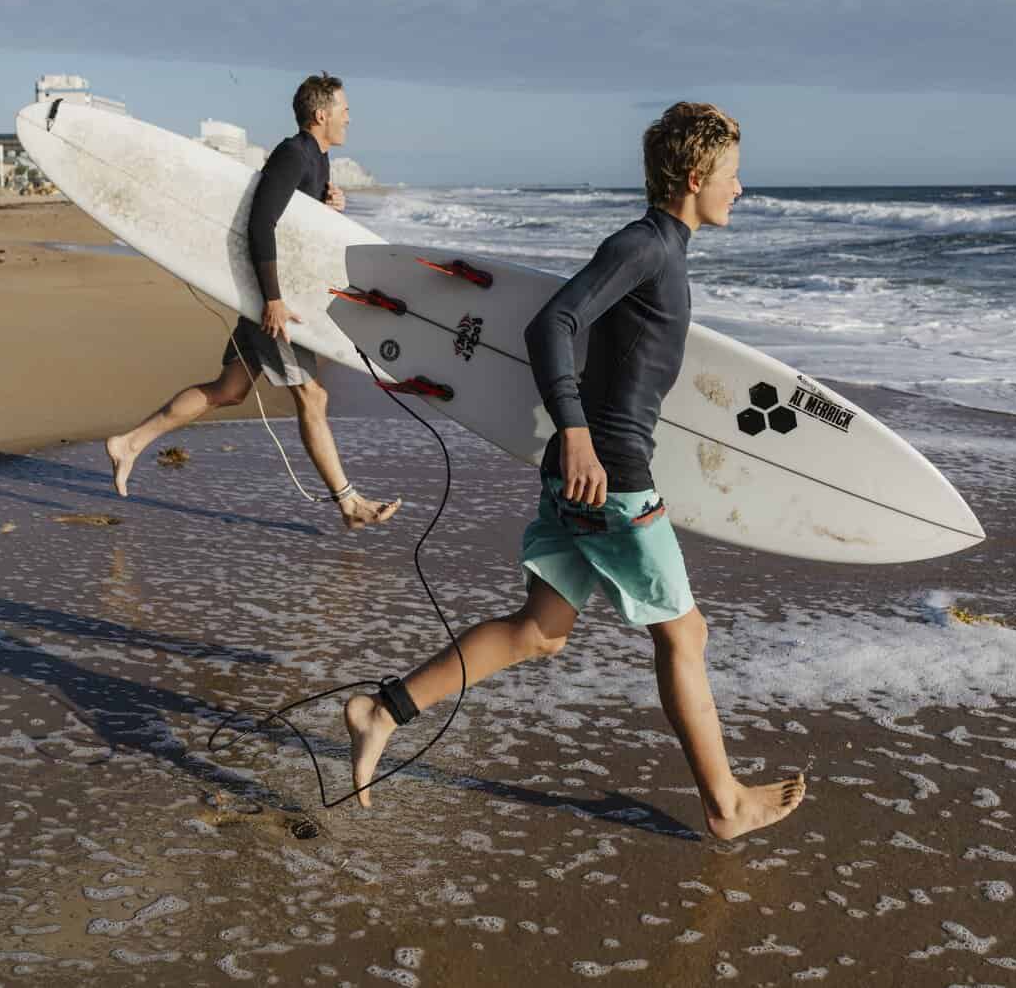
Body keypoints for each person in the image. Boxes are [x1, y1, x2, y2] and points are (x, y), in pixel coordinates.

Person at [343, 102, 804, 838]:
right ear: (694, 178)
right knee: (685, 636)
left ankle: (381, 711)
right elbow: (550, 324)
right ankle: (725, 804)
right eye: (732, 175)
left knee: (539, 631)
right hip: (609, 472)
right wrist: (579, 431)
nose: (740, 189)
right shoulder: (644, 247)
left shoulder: (662, 248)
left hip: (580, 473)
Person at [105, 74, 402, 531]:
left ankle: (128, 443)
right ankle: (349, 504)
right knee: (312, 395)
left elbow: (293, 224)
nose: (349, 117)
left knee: (229, 390)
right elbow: (260, 225)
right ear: (321, 114)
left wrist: (327, 207)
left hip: (269, 298)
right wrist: (274, 301)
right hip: (275, 302)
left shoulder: (317, 161)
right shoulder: (292, 155)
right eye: (344, 109)